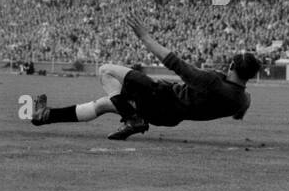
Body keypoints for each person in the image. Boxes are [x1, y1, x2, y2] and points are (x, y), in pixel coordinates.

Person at [31, 12, 259, 141]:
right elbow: (239, 111)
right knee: (103, 104)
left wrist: (145, 37)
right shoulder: (242, 99)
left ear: (232, 66)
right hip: (169, 116)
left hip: (161, 97)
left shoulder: (213, 82)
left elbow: (176, 64)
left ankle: (133, 119)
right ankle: (46, 116)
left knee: (106, 70)